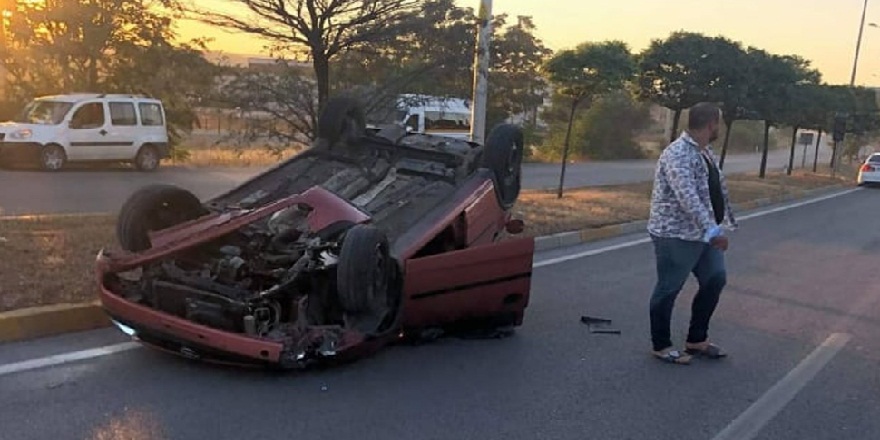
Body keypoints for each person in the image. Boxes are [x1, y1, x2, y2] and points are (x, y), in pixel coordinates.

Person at [646, 102, 738, 365]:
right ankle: (661, 345)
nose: (719, 127)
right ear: (711, 124)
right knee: (669, 288)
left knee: (715, 279)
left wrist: (717, 225)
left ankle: (696, 339)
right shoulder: (678, 154)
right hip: (675, 234)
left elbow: (711, 192)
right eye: (718, 122)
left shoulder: (703, 151)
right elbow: (688, 197)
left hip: (702, 235)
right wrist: (713, 230)